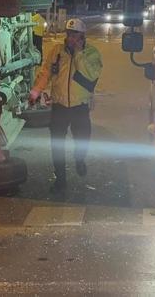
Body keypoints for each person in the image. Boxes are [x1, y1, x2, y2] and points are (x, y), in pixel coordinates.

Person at [29, 18, 102, 191]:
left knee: (83, 139)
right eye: (69, 34)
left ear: (82, 36)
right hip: (60, 105)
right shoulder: (57, 51)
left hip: (80, 106)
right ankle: (60, 178)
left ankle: (79, 158)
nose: (71, 38)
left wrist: (78, 54)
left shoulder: (91, 53)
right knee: (57, 143)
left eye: (75, 34)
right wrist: (36, 91)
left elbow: (91, 74)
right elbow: (46, 72)